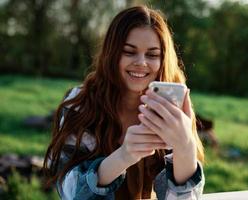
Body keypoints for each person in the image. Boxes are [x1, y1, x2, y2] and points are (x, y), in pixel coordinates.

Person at [43, 5, 205, 200]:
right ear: (111, 53)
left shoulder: (172, 108)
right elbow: (69, 193)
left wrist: (185, 146)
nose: (141, 62)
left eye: (152, 55)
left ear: (163, 60)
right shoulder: (81, 106)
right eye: (129, 52)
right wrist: (124, 155)